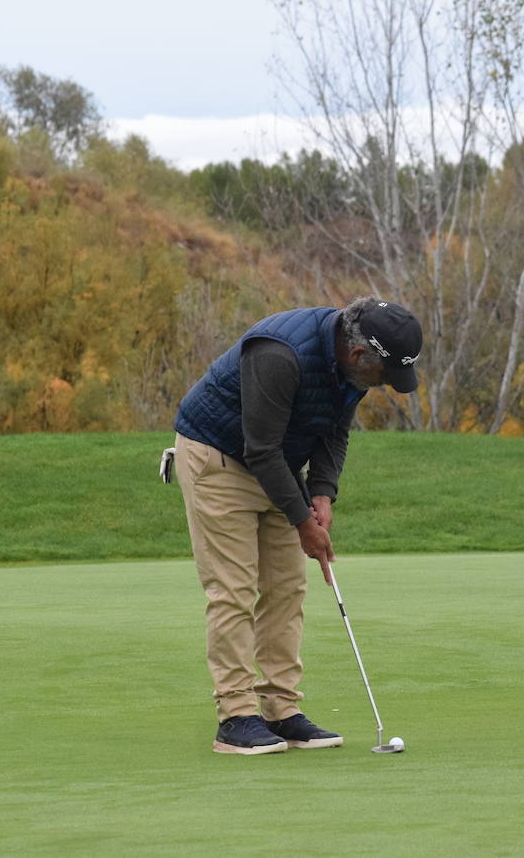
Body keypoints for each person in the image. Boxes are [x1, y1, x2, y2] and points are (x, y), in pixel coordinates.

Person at [170, 296, 423, 755]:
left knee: (287, 587)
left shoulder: (353, 368)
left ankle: (280, 710)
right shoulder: (278, 354)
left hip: (275, 464)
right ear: (358, 354)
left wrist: (323, 493)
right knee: (234, 588)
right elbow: (261, 448)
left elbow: (333, 431)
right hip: (218, 459)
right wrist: (304, 520)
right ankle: (235, 716)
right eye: (384, 375)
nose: (385, 385)